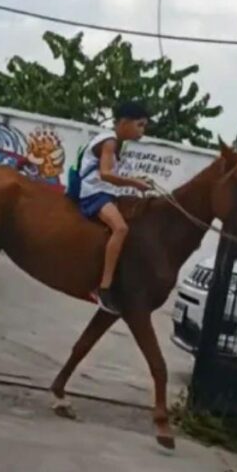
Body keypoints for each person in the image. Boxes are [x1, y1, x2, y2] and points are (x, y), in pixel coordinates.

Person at [75, 100, 153, 314]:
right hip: (94, 193)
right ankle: (104, 287)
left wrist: (136, 179)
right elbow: (106, 174)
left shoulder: (116, 143)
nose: (142, 131)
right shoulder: (109, 142)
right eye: (140, 125)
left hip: (104, 191)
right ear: (125, 122)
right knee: (121, 228)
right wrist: (134, 183)